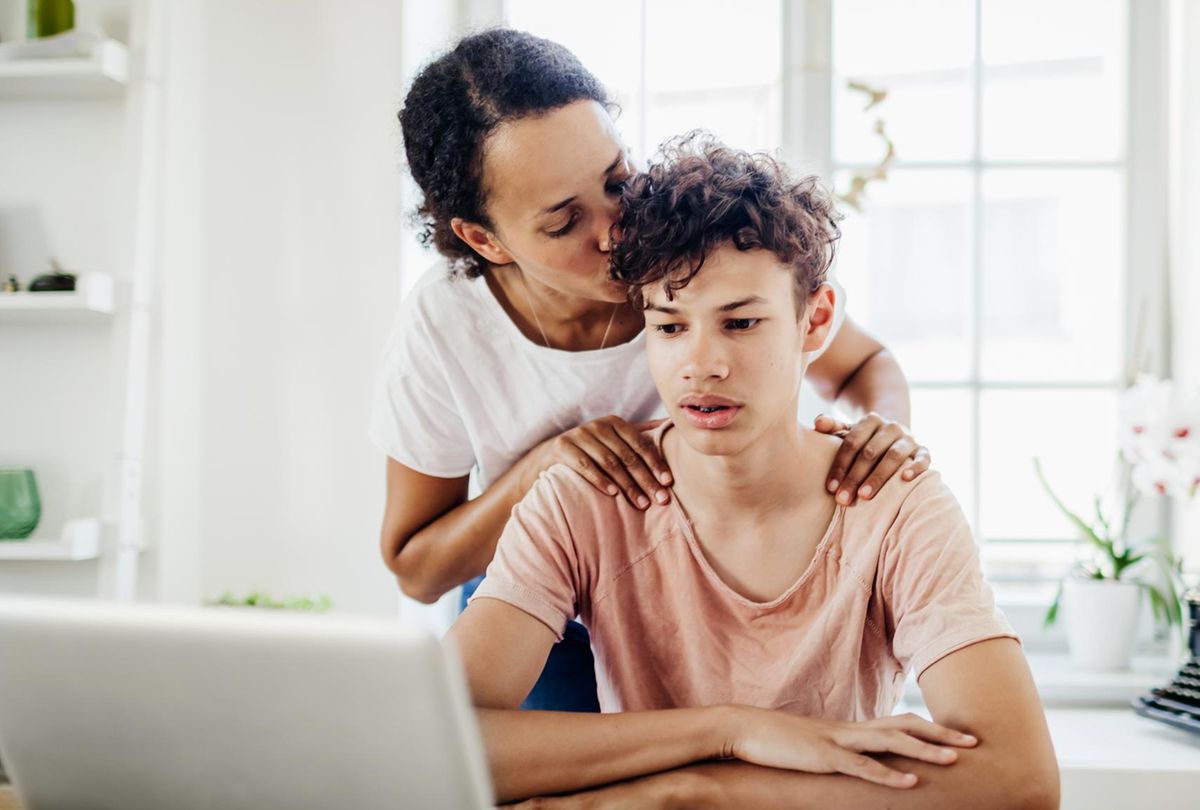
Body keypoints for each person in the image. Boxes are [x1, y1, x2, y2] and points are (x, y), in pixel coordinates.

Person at [448, 135, 1058, 809]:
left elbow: (1020, 782)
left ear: (815, 322)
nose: (700, 365)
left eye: (740, 323)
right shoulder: (583, 499)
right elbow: (439, 743)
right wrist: (729, 732)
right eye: (670, 328)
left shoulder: (895, 505)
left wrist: (695, 793)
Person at [374, 28, 932, 712]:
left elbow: (865, 363)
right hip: (544, 601)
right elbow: (417, 570)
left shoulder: (691, 257)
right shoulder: (446, 324)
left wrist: (883, 436)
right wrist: (543, 468)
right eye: (563, 222)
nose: (617, 231)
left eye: (616, 181)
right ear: (484, 239)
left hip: (712, 575)